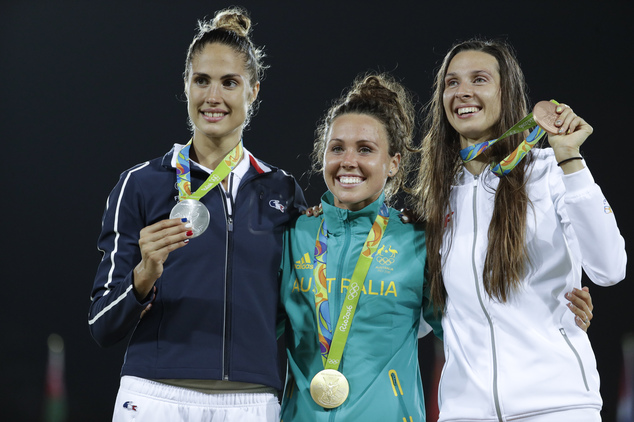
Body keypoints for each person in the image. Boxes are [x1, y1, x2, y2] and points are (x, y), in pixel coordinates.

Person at [88, 8, 305, 422]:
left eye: (230, 83)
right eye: (201, 80)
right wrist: (144, 275)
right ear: (185, 85)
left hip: (252, 399)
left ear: (253, 91)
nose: (213, 97)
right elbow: (102, 324)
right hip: (155, 395)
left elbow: (294, 306)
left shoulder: (282, 190)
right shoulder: (140, 184)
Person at [414, 38, 627, 421]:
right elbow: (420, 318)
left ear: (506, 91)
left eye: (479, 79)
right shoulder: (437, 198)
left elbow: (609, 268)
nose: (463, 92)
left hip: (557, 407)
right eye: (452, 82)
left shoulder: (550, 171)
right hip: (466, 413)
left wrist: (571, 159)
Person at [279, 73, 441, 421]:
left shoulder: (418, 240)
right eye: (337, 148)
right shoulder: (295, 235)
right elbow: (252, 322)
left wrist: (555, 310)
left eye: (365, 149)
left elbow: (470, 328)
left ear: (393, 163)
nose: (348, 161)